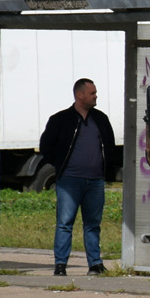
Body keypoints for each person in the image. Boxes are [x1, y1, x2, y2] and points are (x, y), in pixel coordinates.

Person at [38, 78, 117, 276]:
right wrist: (59, 165)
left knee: (93, 224)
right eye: (92, 93)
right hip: (69, 181)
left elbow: (111, 147)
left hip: (95, 181)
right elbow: (46, 146)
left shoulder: (101, 119)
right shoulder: (60, 119)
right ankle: (61, 265)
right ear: (80, 95)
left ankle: (95, 264)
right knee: (65, 223)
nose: (96, 96)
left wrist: (108, 171)